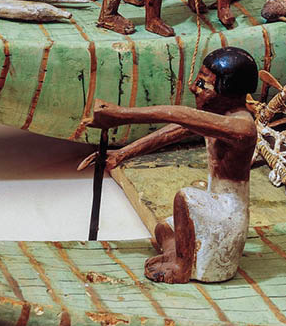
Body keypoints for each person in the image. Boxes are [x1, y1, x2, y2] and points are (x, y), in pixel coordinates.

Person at [86, 47, 259, 283]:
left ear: (227, 92)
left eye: (203, 84)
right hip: (218, 208)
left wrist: (122, 114)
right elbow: (177, 128)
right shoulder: (219, 117)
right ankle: (177, 254)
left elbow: (180, 116)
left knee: (185, 198)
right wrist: (122, 154)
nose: (193, 88)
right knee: (164, 229)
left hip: (229, 214)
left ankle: (181, 267)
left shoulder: (242, 127)